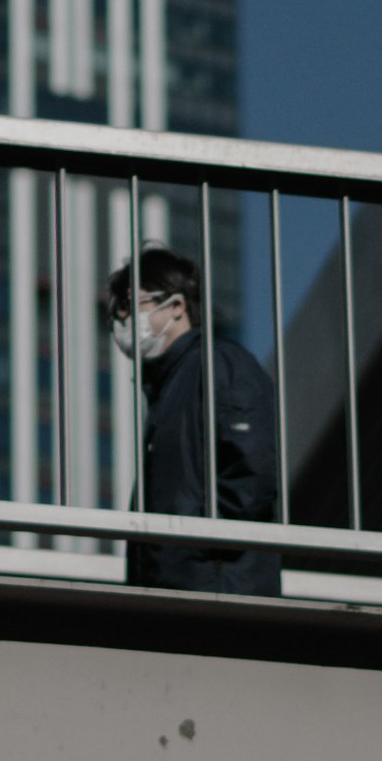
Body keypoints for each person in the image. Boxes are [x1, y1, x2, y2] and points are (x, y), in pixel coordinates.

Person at [105, 247, 282, 596]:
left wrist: (192, 549)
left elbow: (251, 473)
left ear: (176, 306)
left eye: (130, 304)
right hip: (182, 588)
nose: (122, 319)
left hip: (217, 590)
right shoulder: (169, 386)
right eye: (118, 310)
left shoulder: (218, 364)